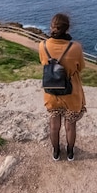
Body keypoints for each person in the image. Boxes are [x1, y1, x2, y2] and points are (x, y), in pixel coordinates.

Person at [39, 13, 86, 161]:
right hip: (71, 94)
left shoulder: (43, 45)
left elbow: (44, 63)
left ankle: (56, 152)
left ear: (52, 26)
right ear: (67, 28)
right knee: (70, 126)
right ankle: (70, 153)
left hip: (52, 94)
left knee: (54, 125)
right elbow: (81, 68)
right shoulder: (76, 47)